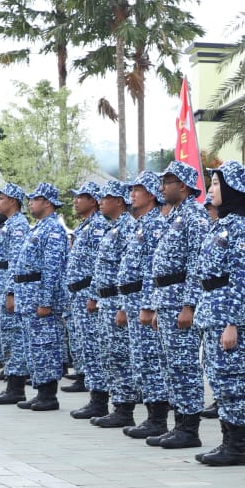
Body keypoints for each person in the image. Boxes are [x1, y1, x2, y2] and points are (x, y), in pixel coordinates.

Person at [184, 161, 245, 466]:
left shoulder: (240, 227)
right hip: (211, 311)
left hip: (227, 314)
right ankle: (227, 440)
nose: (211, 189)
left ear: (232, 189)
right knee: (219, 378)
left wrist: (233, 323)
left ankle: (237, 446)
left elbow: (242, 278)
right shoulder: (222, 225)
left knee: (232, 380)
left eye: (216, 183)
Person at [145, 162, 211, 449]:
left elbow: (197, 264)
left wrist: (189, 305)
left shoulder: (194, 217)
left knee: (185, 366)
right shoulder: (176, 216)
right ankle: (179, 424)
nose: (162, 187)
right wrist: (159, 307)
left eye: (168, 182)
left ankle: (189, 428)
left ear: (182, 186)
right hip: (167, 301)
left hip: (180, 303)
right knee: (171, 366)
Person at [109, 172, 171, 431]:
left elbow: (151, 269)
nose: (132, 194)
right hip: (131, 299)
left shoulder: (156, 224)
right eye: (132, 189)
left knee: (150, 359)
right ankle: (150, 416)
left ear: (152, 195)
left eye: (138, 189)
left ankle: (157, 419)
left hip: (142, 300)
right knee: (140, 360)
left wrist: (148, 305)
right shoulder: (140, 224)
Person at [13, 184, 70, 411]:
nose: (30, 203)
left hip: (39, 298)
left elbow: (52, 268)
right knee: (33, 346)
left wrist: (46, 301)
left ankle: (48, 395)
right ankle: (40, 391)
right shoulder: (38, 228)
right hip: (28, 296)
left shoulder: (53, 229)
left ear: (47, 202)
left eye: (34, 199)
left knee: (45, 345)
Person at [79, 181, 133, 424]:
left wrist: (123, 305)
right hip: (105, 299)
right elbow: (101, 268)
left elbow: (129, 272)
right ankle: (115, 404)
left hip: (116, 300)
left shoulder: (128, 228)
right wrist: (95, 295)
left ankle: (124, 409)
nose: (101, 200)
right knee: (109, 355)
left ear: (119, 201)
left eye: (106, 197)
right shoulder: (114, 228)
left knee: (120, 355)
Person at [0, 183, 30, 402]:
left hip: (8, 289)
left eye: (1, 198)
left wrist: (12, 292)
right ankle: (11, 383)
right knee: (7, 337)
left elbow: (16, 261)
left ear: (13, 201)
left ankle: (16, 387)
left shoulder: (19, 225)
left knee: (14, 337)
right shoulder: (8, 224)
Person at [63, 182, 107, 397]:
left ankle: (99, 395)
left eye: (80, 197)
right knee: (84, 345)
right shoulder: (85, 226)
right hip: (77, 294)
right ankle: (92, 389)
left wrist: (93, 295)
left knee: (92, 346)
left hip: (87, 294)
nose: (75, 201)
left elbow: (99, 264)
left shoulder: (98, 226)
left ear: (93, 201)